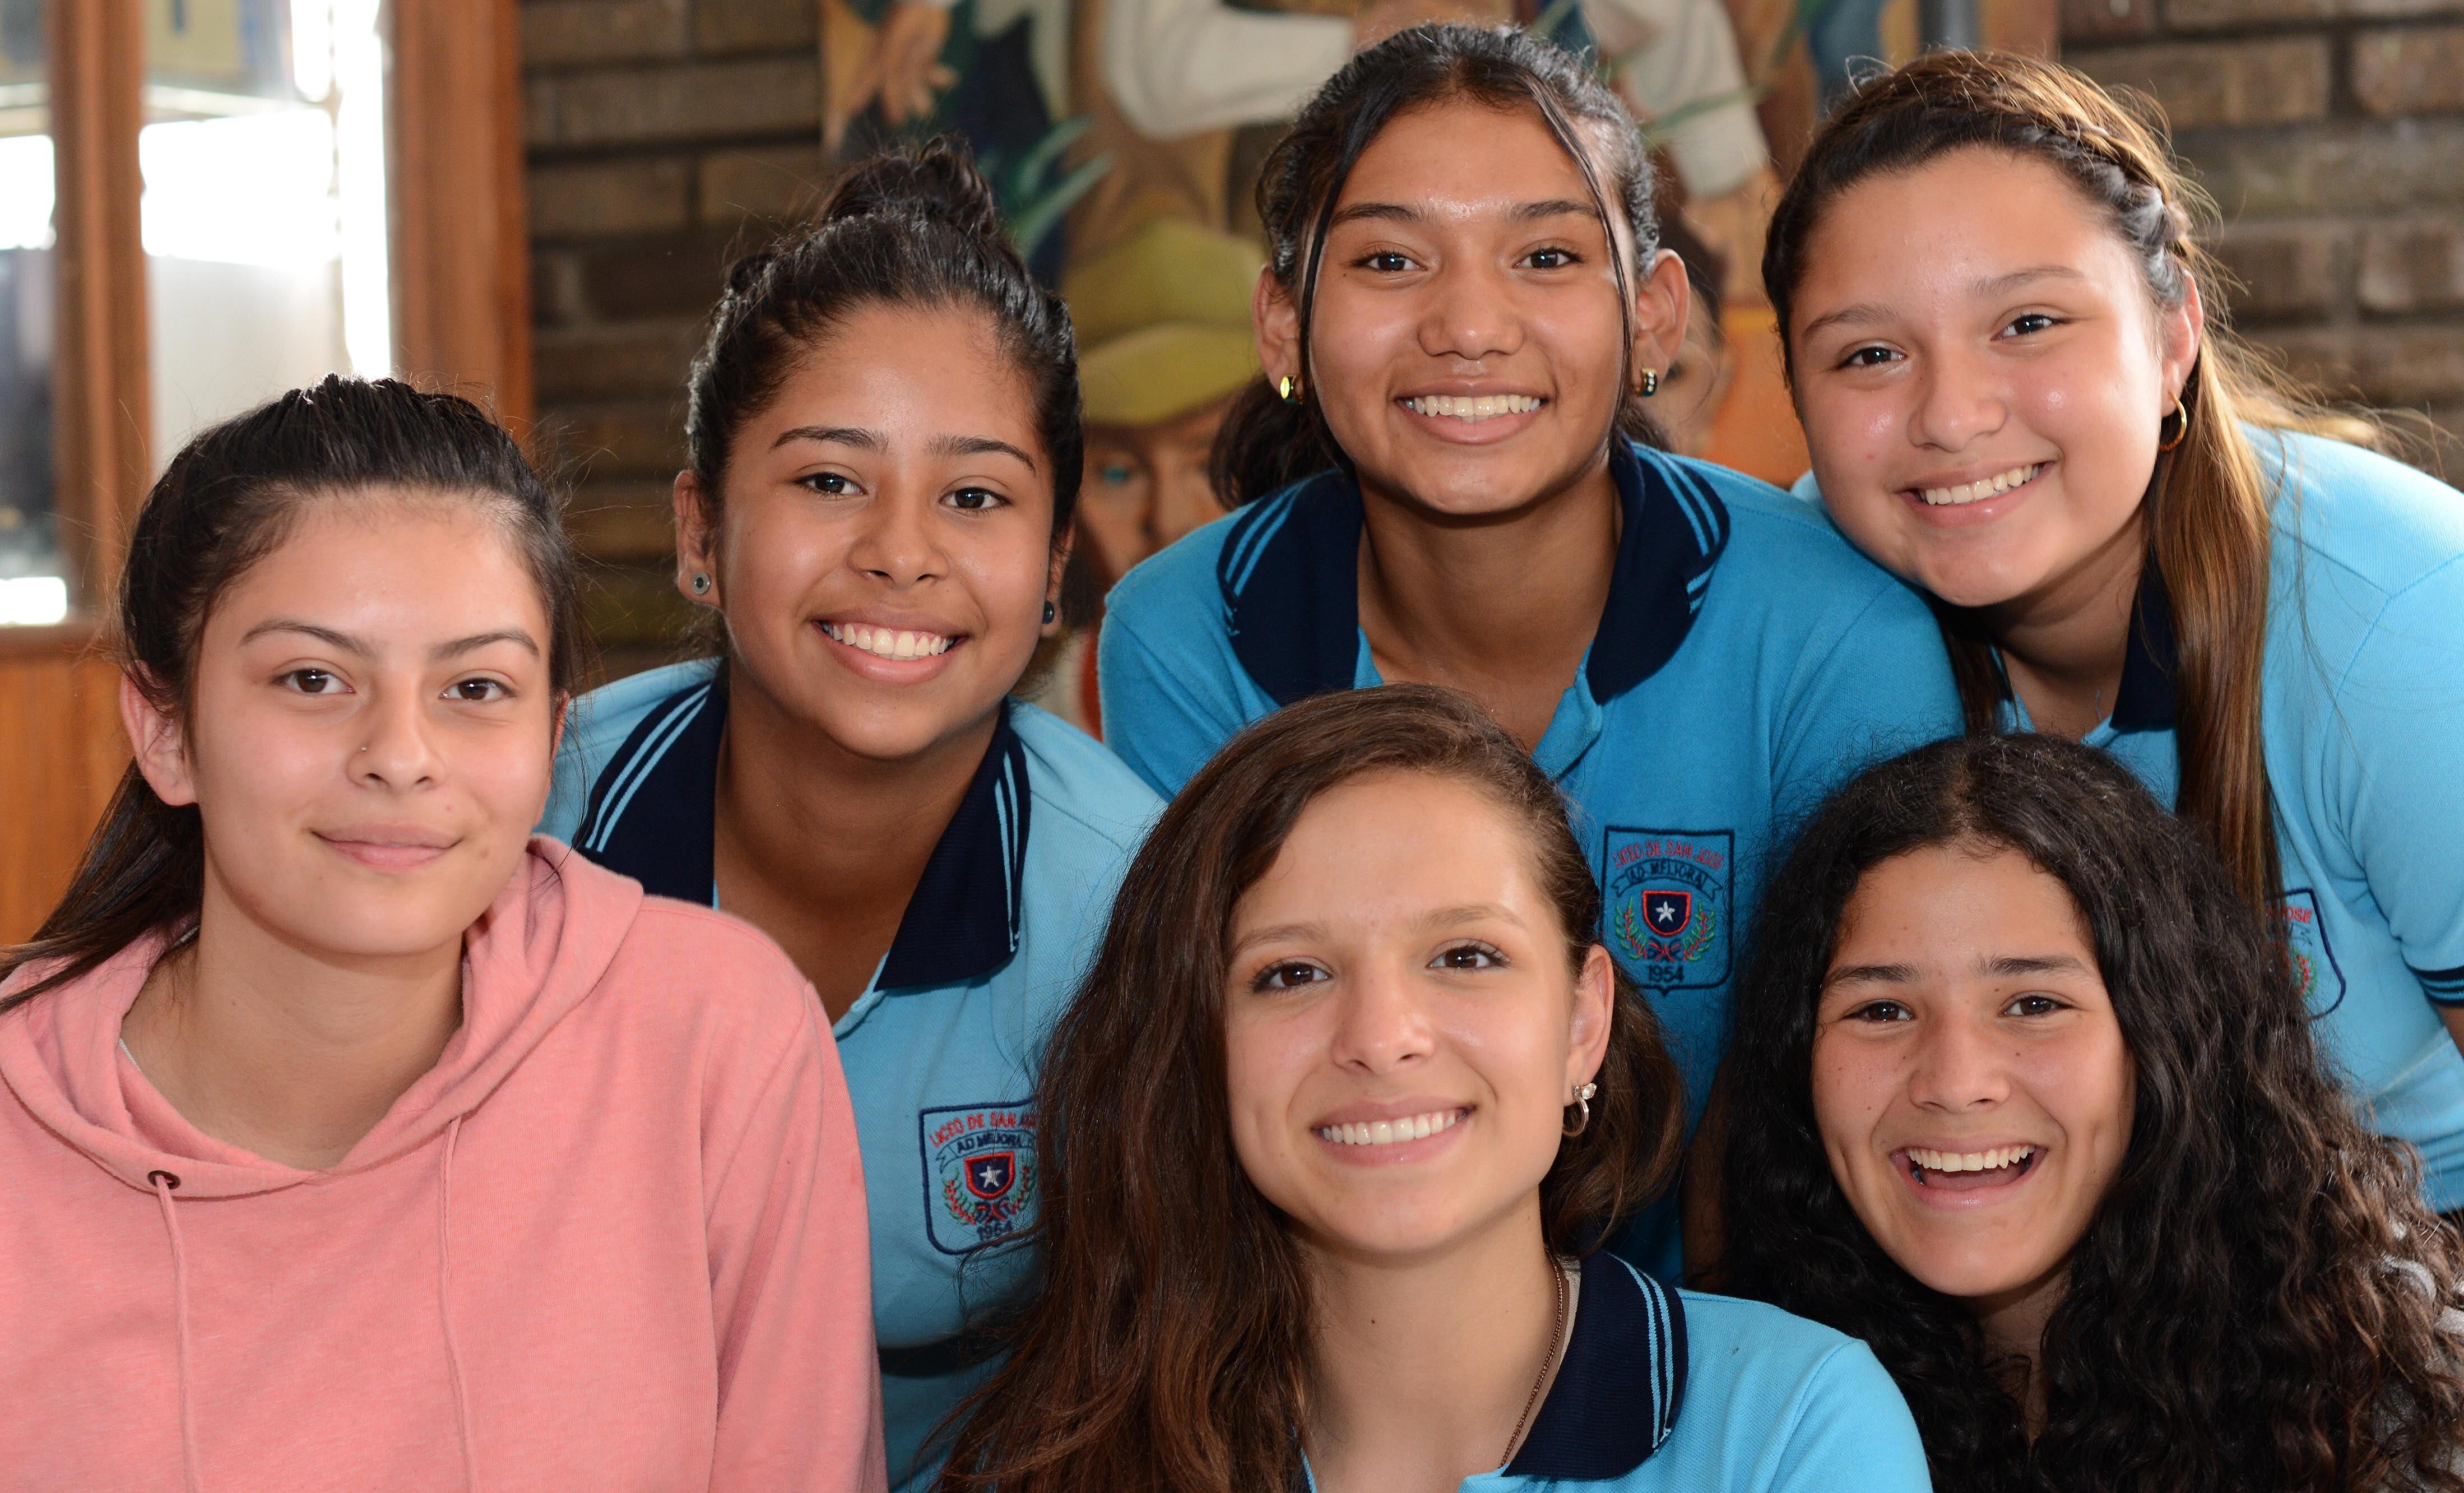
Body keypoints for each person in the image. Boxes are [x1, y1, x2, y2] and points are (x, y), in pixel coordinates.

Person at [1097, 22, 1962, 1271]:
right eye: (1390, 260)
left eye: (1547, 256)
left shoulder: (1835, 629)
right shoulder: (1184, 636)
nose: (1468, 325)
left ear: (1653, 317)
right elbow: (1213, 1094)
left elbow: (1855, 1096)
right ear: (1282, 325)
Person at [0, 377, 883, 1490]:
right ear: (167, 732)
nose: (401, 756)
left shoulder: (711, 1036)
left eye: (474, 688)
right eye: (313, 679)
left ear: (550, 740)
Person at [537, 143, 1162, 1491]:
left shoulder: (1132, 904)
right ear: (700, 532)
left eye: (975, 497)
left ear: (1056, 565)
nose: (899, 552)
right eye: (829, 481)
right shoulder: (519, 821)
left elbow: (1177, 1374)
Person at [1769, 49, 2464, 1220]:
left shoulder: (2400, 623)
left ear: (2174, 332)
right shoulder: (1800, 612)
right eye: (1870, 354)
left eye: (2028, 322)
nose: (1953, 417)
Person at [937, 685, 1933, 1493]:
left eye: (1464, 956)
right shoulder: (1049, 1457)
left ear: (1582, 1023)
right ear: (1195, 1047)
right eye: (1291, 973)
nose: (1381, 1039)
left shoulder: (1791, 1428)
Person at [1716, 730, 2464, 1491]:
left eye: (2033, 1004)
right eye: (1882, 1010)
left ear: (2163, 1038)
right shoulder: (1738, 1410)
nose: (1955, 1082)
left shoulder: (2383, 1395)